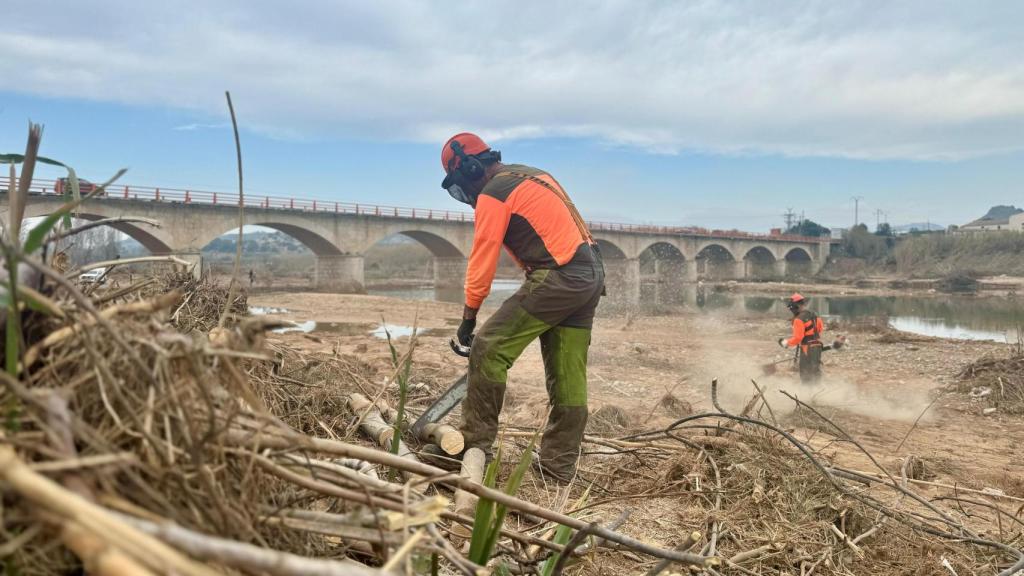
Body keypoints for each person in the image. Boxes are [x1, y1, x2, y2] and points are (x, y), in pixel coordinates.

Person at [439, 132, 604, 482]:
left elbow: (482, 259)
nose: (465, 194)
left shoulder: (494, 192)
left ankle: (472, 445)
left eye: (461, 184)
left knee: (489, 346)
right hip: (589, 274)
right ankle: (557, 468)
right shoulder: (534, 174)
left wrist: (469, 319)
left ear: (469, 168)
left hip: (559, 275)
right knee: (568, 374)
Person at [778, 293, 824, 384]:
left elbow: (798, 338)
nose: (791, 309)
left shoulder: (798, 319)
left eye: (792, 307)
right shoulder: (815, 314)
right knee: (815, 370)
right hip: (818, 346)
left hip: (807, 347)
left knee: (806, 373)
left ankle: (807, 394)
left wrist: (786, 343)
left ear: (796, 306)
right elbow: (820, 329)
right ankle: (818, 391)